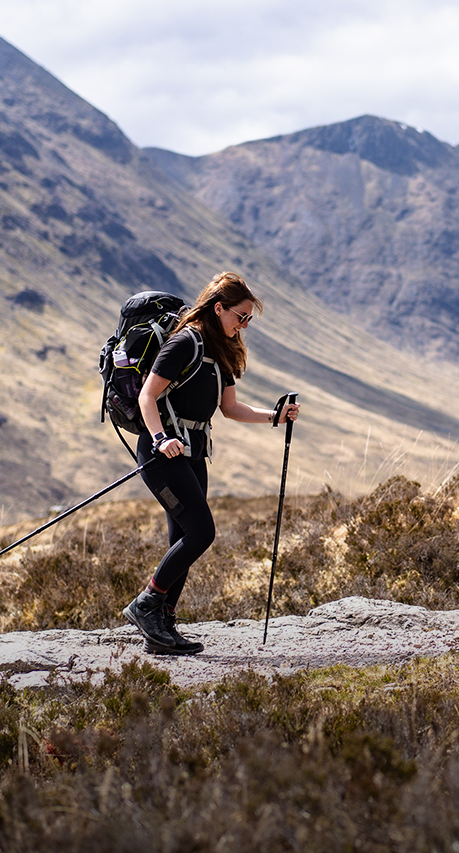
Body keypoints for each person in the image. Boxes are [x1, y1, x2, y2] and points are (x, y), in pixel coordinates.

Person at [122, 271, 300, 655]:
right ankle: (146, 605)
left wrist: (275, 416)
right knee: (201, 533)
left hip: (194, 454)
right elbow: (147, 398)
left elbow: (230, 408)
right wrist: (159, 438)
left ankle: (162, 627)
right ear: (218, 308)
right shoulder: (184, 343)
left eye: (249, 319)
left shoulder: (220, 353)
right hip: (162, 454)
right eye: (240, 316)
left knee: (180, 538)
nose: (244, 325)